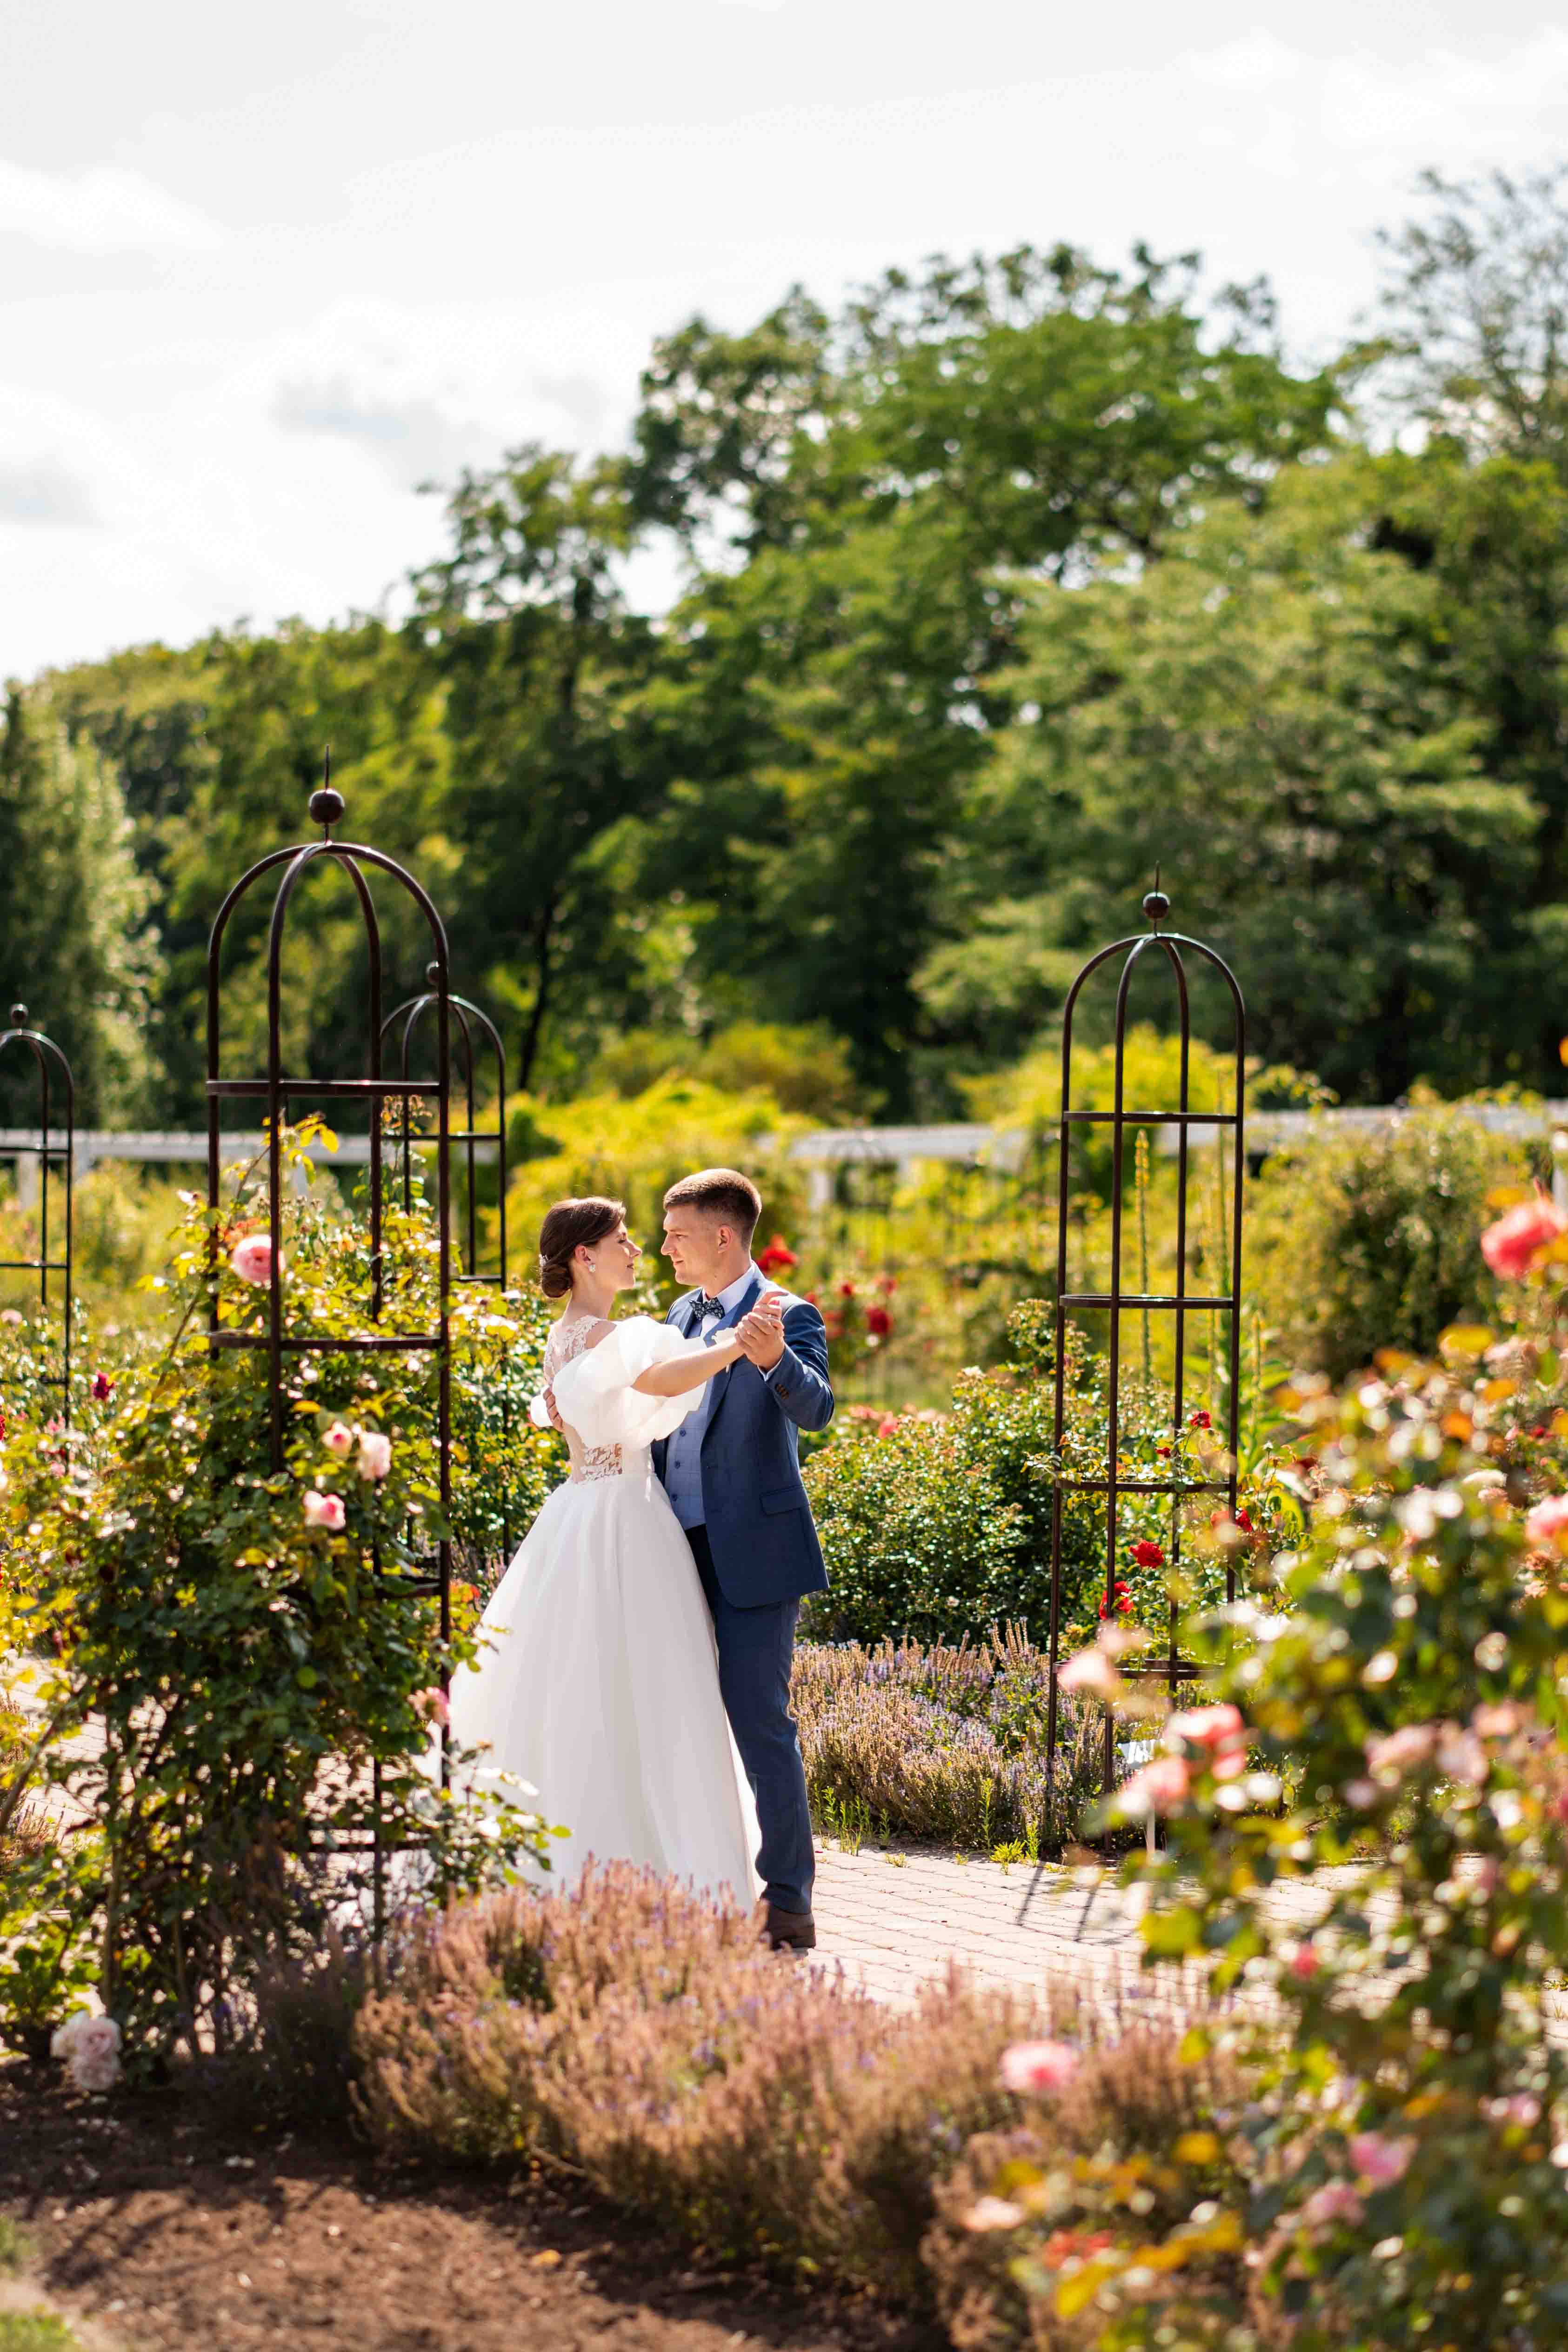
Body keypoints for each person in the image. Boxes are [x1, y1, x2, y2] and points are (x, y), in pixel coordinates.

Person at [445, 1195, 778, 1909]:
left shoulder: (569, 1333)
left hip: (586, 1510)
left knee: (590, 1682)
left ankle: (591, 1849)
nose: (636, 1252)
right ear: (584, 1256)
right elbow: (662, 1381)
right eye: (622, 1241)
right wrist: (735, 1344)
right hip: (623, 1517)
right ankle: (640, 1859)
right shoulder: (606, 1336)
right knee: (646, 1685)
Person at [654, 1169, 834, 1952]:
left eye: (678, 1235)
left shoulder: (788, 1315)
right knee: (672, 1714)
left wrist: (773, 1362)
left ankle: (788, 1901)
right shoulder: (678, 1315)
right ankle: (689, 1878)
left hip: (755, 1552)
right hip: (668, 1547)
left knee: (759, 1720)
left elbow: (818, 1409)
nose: (666, 1248)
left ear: (723, 1237)